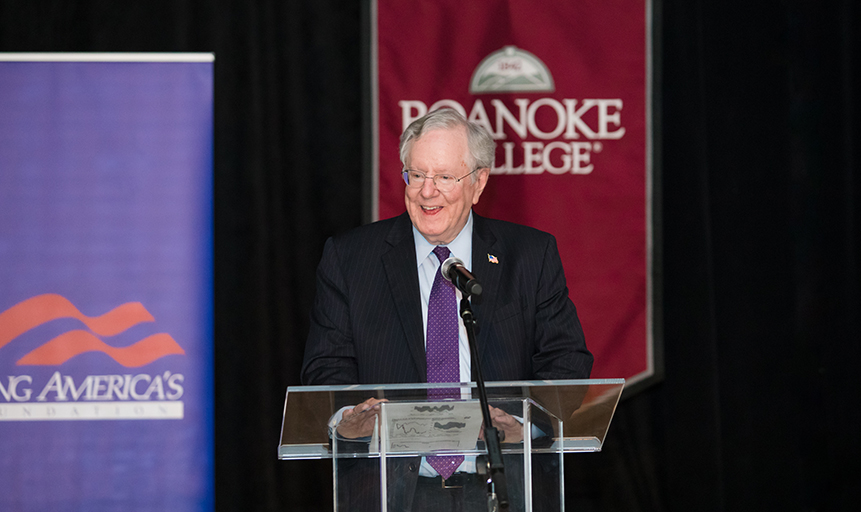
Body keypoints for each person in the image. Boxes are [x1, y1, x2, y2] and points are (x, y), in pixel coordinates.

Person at [301, 108, 592, 511]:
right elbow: (324, 369)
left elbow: (567, 361)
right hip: (390, 490)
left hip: (501, 483)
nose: (427, 191)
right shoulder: (350, 259)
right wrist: (353, 417)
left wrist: (520, 426)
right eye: (416, 174)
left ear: (478, 183)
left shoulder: (529, 256)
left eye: (444, 177)